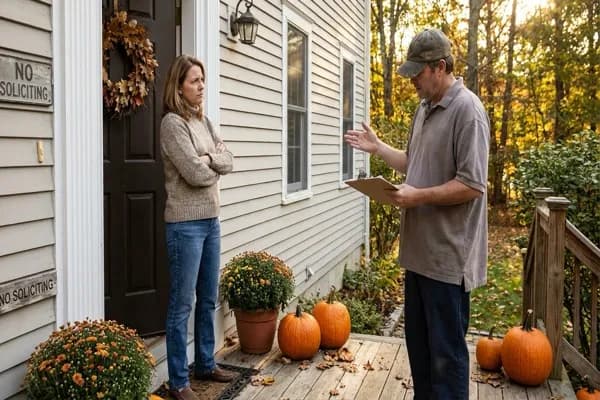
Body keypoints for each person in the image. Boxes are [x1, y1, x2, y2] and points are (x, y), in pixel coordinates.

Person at [345, 28, 489, 399]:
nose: (411, 81)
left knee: (447, 361)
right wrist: (378, 149)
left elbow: (472, 185)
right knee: (421, 358)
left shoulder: (467, 111)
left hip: (446, 260)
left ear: (440, 67)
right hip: (418, 257)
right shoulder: (423, 109)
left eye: (417, 73)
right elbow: (413, 163)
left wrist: (418, 197)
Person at [160, 55, 235, 400]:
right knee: (182, 304)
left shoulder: (204, 121)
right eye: (194, 81)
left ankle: (205, 362)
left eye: (203, 80)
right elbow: (194, 173)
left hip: (211, 220)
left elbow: (228, 160)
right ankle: (178, 381)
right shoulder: (173, 125)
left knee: (207, 298)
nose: (201, 86)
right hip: (185, 226)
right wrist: (210, 161)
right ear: (179, 86)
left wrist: (210, 159)